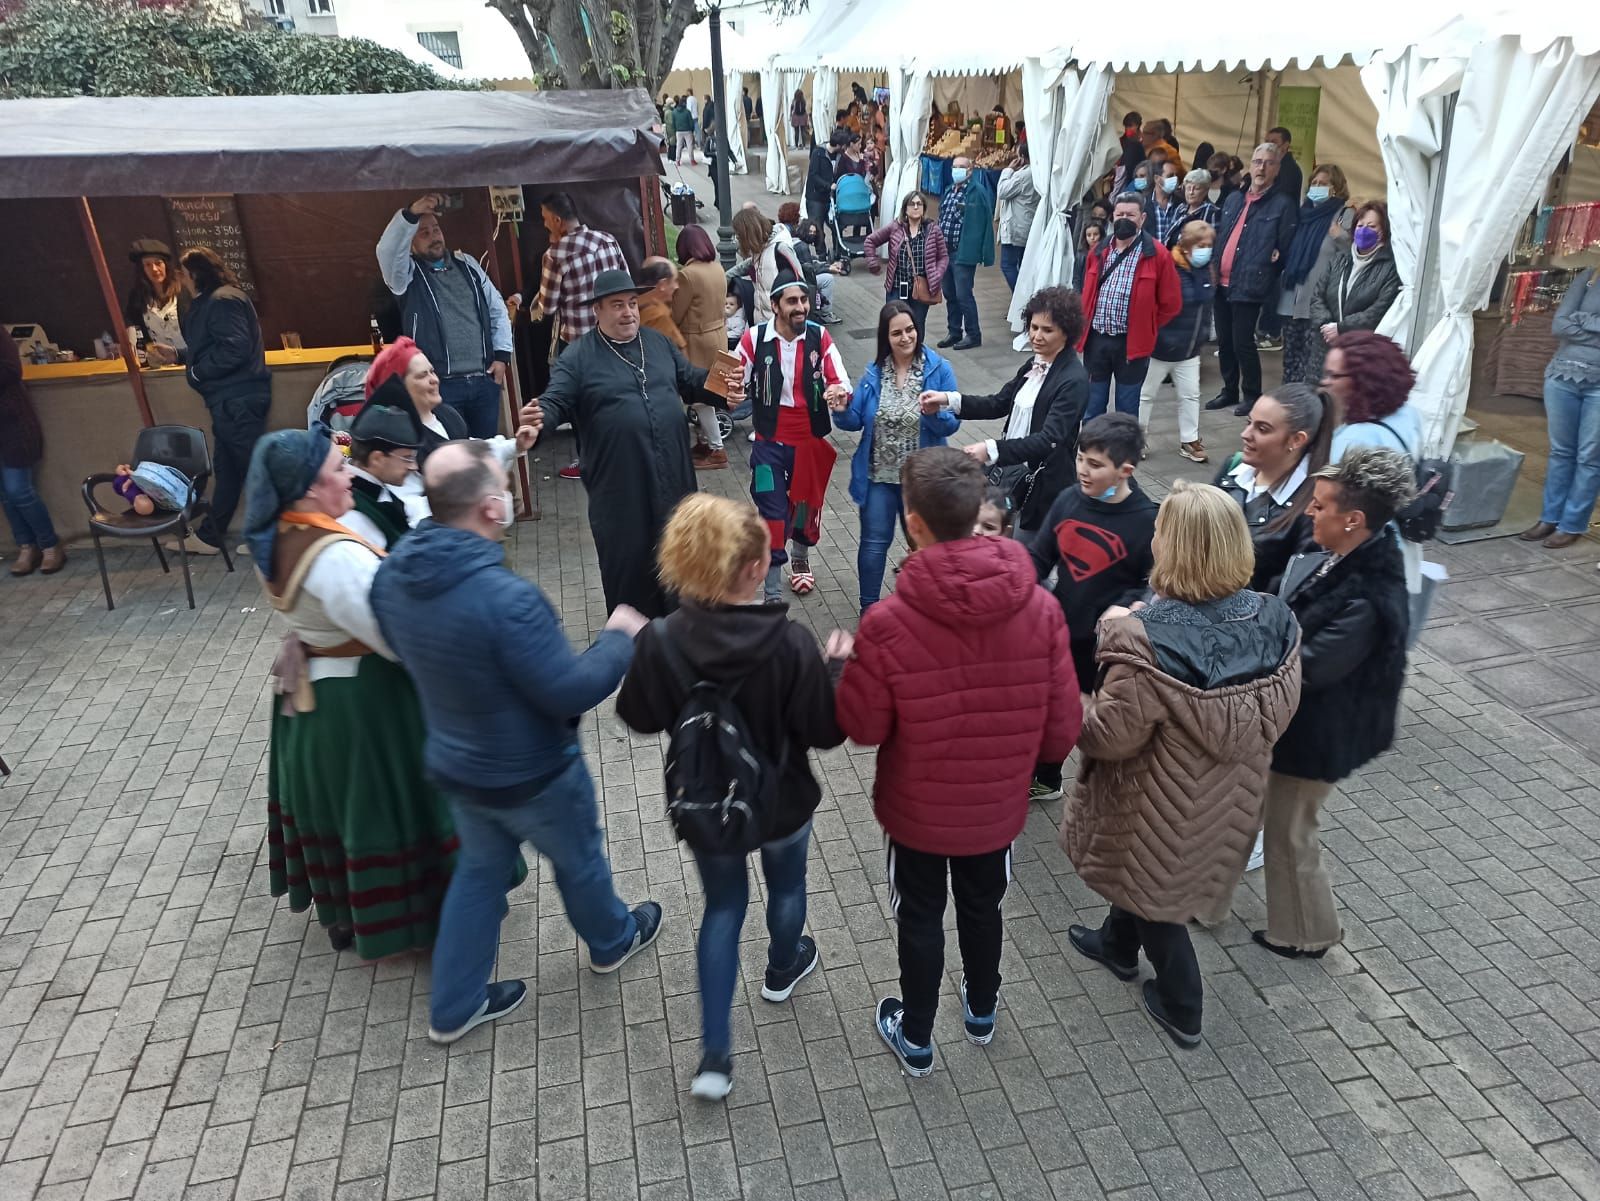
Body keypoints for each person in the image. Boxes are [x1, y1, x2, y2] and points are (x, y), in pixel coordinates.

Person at [369, 440, 661, 1041]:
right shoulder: (509, 600)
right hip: (536, 775)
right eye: (502, 483)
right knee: (578, 858)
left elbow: (404, 650)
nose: (507, 491)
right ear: (491, 510)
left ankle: (453, 1007)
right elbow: (567, 690)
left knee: (478, 873)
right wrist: (618, 639)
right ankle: (611, 939)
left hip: (458, 766)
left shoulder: (394, 574)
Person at [835, 447, 1081, 1076]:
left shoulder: (887, 623)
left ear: (912, 522)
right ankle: (981, 1010)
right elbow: (1059, 740)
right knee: (983, 906)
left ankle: (916, 1034)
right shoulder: (1042, 607)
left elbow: (862, 728)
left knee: (918, 916)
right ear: (978, 511)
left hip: (916, 813)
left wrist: (843, 670)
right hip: (995, 812)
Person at [616, 494, 845, 1100]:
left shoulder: (663, 639)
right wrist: (833, 673)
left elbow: (638, 718)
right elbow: (826, 733)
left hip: (708, 802)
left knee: (723, 909)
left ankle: (714, 1057)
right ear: (750, 571)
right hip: (784, 801)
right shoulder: (792, 643)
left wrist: (645, 654)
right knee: (789, 887)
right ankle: (781, 967)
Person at [1063, 479, 1301, 1047]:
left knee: (1158, 904)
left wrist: (1077, 698)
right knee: (1149, 879)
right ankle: (1117, 947)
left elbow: (1107, 737)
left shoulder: (1142, 643)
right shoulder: (1274, 617)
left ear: (1174, 548)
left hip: (1155, 797)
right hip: (1230, 792)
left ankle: (1182, 1005)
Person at [242, 426, 465, 958]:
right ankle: (418, 923)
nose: (349, 475)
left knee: (341, 813)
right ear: (307, 488)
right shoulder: (335, 555)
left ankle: (347, 913)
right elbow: (396, 638)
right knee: (387, 811)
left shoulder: (280, 533)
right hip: (364, 708)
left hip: (315, 698)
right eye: (337, 469)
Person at [1258, 448, 1412, 959]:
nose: (1309, 512)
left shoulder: (1368, 596)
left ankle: (1307, 933)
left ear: (1354, 520)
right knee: (1259, 817)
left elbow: (1310, 666)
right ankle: (1206, 902)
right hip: (1299, 727)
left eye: (1320, 506)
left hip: (1318, 737)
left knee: (1290, 833)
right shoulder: (1343, 552)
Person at [520, 269, 738, 615]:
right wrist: (539, 422)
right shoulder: (577, 358)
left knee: (683, 574)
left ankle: (688, 648)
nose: (628, 312)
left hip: (674, 486)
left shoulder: (658, 342)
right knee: (632, 580)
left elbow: (691, 381)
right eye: (617, 305)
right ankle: (637, 656)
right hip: (622, 496)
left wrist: (726, 387)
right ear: (598, 311)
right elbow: (554, 401)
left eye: (633, 304)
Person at [1028, 413, 1158, 801]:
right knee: (1050, 713)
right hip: (1058, 634)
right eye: (1080, 458)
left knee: (1098, 726)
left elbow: (1153, 584)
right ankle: (1047, 778)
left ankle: (1105, 792)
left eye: (1095, 465)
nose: (1083, 470)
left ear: (1125, 470)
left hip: (1107, 651)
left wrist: (1129, 606)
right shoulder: (1069, 499)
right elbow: (1039, 557)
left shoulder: (1148, 522)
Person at [919, 286, 1090, 536]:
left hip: (1041, 488)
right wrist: (948, 400)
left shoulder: (1073, 379)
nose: (1036, 336)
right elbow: (998, 402)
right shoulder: (1034, 363)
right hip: (1012, 477)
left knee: (1026, 558)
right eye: (1033, 327)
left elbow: (1049, 440)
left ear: (1066, 332)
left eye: (1047, 330)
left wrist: (990, 449)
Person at [833, 301, 961, 613]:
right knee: (874, 546)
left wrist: (933, 413)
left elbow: (953, 421)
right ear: (885, 337)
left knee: (927, 550)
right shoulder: (875, 372)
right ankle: (869, 611)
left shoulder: (938, 369)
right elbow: (856, 419)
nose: (905, 338)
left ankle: (928, 612)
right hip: (879, 477)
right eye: (897, 333)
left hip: (921, 484)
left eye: (910, 330)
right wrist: (840, 409)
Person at [735, 270, 851, 602]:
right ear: (775, 305)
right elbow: (732, 379)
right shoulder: (754, 339)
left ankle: (800, 560)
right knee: (772, 513)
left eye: (804, 300)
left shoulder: (820, 336)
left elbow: (838, 378)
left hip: (808, 443)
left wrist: (839, 393)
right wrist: (727, 393)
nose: (801, 307)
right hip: (768, 442)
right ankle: (772, 594)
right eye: (792, 301)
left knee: (803, 509)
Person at [147, 246, 270, 557]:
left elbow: (234, 349)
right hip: (231, 399)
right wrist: (178, 355)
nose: (180, 278)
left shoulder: (221, 301)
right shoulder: (220, 299)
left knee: (253, 469)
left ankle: (271, 538)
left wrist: (198, 372)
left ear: (194, 274)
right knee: (228, 469)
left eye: (183, 273)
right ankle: (211, 535)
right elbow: (218, 346)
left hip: (236, 399)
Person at [376, 194, 513, 440]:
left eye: (436, 230)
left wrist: (502, 355)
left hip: (483, 381)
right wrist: (411, 213)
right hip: (439, 384)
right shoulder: (406, 276)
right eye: (424, 233)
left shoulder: (468, 264)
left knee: (483, 457)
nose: (434, 237)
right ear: (411, 244)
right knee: (449, 458)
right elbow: (386, 251)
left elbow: (497, 309)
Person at [1206, 144, 1299, 417]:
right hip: (1221, 281)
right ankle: (1229, 389)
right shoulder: (1234, 199)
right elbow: (1221, 235)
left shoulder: (1283, 204)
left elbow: (1285, 248)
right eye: (1257, 161)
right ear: (1250, 164)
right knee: (1224, 340)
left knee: (1242, 341)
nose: (1261, 168)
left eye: (1268, 163)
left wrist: (1269, 266)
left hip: (1250, 283)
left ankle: (1252, 394)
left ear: (1276, 169)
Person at [1215, 383, 1333, 593]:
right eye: (1248, 422)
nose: (1246, 434)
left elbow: (1292, 596)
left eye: (1262, 429)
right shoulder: (1232, 468)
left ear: (1297, 440)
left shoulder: (1313, 508)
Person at [1077, 192, 1183, 421]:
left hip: (1131, 344)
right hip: (1097, 340)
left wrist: (1147, 324)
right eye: (1119, 214)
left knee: (1126, 410)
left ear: (1142, 218)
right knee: (1092, 407)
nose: (1124, 219)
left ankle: (1122, 454)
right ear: (1112, 217)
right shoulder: (1098, 252)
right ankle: (1090, 451)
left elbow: (1171, 303)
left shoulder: (1157, 255)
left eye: (1130, 215)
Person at [1523, 267, 1600, 549]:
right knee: (1560, 452)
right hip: (1561, 377)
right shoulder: (1590, 275)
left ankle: (1572, 524)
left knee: (1590, 457)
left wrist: (1582, 320)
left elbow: (1571, 323)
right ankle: (1549, 518)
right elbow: (1559, 324)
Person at [1140, 221, 1215, 463]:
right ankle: (1137, 440)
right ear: (1186, 244)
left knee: (1191, 395)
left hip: (1189, 349)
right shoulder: (1167, 267)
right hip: (1160, 347)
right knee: (1145, 395)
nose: (1206, 249)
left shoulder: (1204, 269)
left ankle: (1189, 440)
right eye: (1201, 245)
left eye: (1209, 245)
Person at [1278, 165, 1354, 385]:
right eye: (1315, 183)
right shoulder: (1302, 214)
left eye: (1324, 183)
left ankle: (1309, 406)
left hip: (1319, 301)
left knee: (1313, 362)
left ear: (1337, 188)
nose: (1317, 187)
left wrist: (1341, 237)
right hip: (1292, 298)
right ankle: (1289, 402)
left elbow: (1355, 254)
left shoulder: (1344, 216)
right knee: (1291, 357)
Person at [0, 325, 64, 576]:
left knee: (19, 490)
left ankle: (49, 544)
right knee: (4, 494)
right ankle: (26, 546)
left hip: (12, 423)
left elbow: (11, 370)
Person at [674, 226, 732, 470]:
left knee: (699, 398)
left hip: (697, 341)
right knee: (711, 392)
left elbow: (676, 313)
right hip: (719, 336)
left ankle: (716, 449)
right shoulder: (717, 267)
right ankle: (705, 442)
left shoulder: (687, 275)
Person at [341, 382, 425, 549]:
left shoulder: (375, 491)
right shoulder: (354, 514)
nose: (414, 466)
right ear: (377, 458)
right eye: (407, 458)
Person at [1311, 201, 1401, 350]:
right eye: (1360, 226)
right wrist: (1327, 327)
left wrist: (1341, 328)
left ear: (1384, 231)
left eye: (1372, 226)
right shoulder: (1339, 260)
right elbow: (1317, 297)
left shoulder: (1390, 268)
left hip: (1361, 349)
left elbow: (1378, 310)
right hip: (1326, 344)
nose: (1364, 230)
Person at [865, 191, 950, 338]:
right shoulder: (895, 227)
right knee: (895, 323)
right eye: (912, 204)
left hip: (921, 288)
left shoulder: (933, 230)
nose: (916, 207)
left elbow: (943, 257)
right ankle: (895, 355)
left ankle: (916, 356)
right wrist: (873, 262)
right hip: (897, 287)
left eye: (919, 204)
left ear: (924, 208)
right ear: (905, 208)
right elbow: (870, 241)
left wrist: (936, 275)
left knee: (917, 325)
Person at [937, 156, 994, 351]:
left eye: (961, 167)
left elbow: (981, 224)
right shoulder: (949, 190)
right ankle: (954, 332)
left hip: (962, 254)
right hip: (945, 251)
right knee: (950, 294)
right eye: (954, 167)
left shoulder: (976, 192)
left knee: (963, 295)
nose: (956, 171)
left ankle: (973, 334)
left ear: (970, 170)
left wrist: (980, 252)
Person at [732, 208, 802, 326]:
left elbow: (799, 285)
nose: (737, 240)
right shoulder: (759, 250)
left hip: (779, 326)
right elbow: (747, 265)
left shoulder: (780, 250)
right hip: (763, 322)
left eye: (739, 236)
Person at [123, 238, 187, 355]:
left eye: (158, 263)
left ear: (166, 265)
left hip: (190, 359)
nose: (154, 269)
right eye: (148, 265)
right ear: (142, 269)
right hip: (160, 363)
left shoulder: (185, 290)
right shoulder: (138, 295)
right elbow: (131, 322)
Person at [996, 144, 1039, 292]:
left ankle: (1020, 299)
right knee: (1023, 265)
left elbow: (1002, 191)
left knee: (1008, 265)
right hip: (1027, 223)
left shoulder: (1023, 175)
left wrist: (1008, 170)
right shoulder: (1038, 171)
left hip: (1016, 226)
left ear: (1022, 157)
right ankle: (1025, 299)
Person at [1166, 169, 1222, 250]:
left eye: (1196, 188)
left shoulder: (1212, 212)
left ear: (1206, 191)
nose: (1191, 192)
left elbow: (1212, 245)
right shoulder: (1181, 208)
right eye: (1188, 188)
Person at [637, 258, 686, 350]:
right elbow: (677, 356)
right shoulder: (658, 316)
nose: (677, 286)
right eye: (674, 280)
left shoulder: (629, 305)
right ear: (662, 284)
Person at [804, 133, 840, 259]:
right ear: (838, 145)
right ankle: (821, 255)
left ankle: (837, 251)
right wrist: (828, 185)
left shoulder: (839, 156)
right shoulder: (818, 153)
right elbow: (813, 175)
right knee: (817, 227)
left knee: (835, 225)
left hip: (829, 197)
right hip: (816, 197)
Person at [1149, 161, 1186, 245]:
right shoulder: (1143, 203)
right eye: (1170, 176)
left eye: (1176, 175)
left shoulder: (1182, 203)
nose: (1175, 179)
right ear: (1157, 178)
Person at [1074, 219, 1106, 293]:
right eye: (1089, 235)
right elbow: (1076, 278)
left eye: (1095, 234)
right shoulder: (1081, 254)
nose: (1092, 238)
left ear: (1101, 235)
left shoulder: (1106, 253)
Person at [674, 97, 699, 165]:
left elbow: (673, 122)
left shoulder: (675, 112)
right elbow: (691, 122)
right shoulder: (687, 112)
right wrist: (692, 129)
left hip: (678, 131)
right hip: (687, 130)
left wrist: (675, 129)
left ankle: (677, 160)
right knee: (690, 146)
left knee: (679, 146)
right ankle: (692, 160)